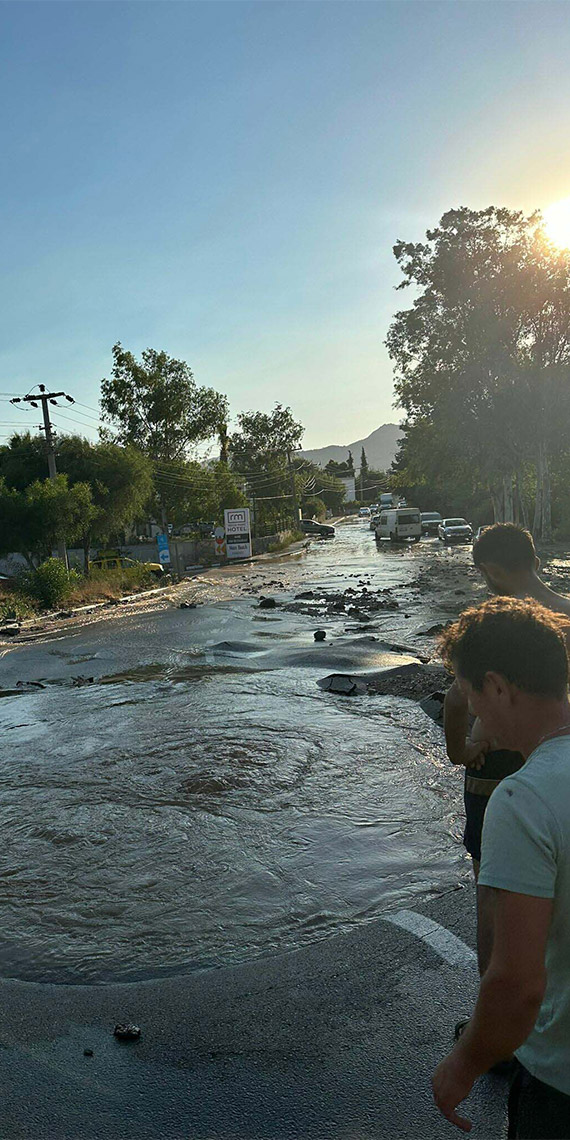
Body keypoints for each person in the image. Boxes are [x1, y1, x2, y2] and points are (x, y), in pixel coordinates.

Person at [433, 597, 570, 1137]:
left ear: (496, 686)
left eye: (469, 691)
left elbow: (516, 985)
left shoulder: (523, 799)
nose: (471, 709)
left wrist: (463, 1064)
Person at [444, 524, 570, 977]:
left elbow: (458, 700)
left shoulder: (496, 626)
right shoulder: (566, 617)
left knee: (494, 889)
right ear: (534, 559)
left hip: (494, 763)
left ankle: (492, 1006)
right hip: (561, 758)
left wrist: (462, 749)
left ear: (491, 570)